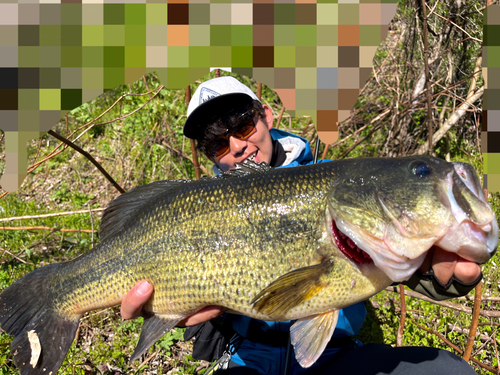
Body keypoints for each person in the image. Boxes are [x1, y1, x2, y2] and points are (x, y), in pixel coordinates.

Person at [120, 76, 482, 374]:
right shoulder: (193, 210)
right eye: (217, 144)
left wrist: (439, 275)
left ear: (267, 115)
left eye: (243, 126)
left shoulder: (342, 186)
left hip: (335, 358)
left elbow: (400, 254)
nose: (237, 145)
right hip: (249, 360)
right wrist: (171, 310)